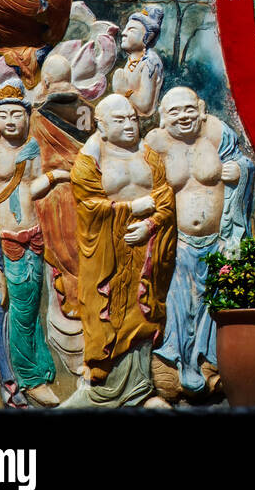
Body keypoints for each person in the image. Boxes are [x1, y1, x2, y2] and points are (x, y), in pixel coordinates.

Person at [61, 94, 176, 408]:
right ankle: (103, 391)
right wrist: (129, 208)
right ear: (101, 124)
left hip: (146, 253)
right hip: (105, 255)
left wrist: (150, 225)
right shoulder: (90, 160)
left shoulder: (149, 156)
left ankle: (139, 390)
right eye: (120, 120)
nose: (129, 125)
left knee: (142, 313)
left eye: (133, 119)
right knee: (105, 314)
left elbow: (165, 200)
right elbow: (87, 205)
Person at [147, 86, 253, 399]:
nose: (183, 116)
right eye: (174, 111)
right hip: (177, 242)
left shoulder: (219, 135)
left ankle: (207, 362)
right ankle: (177, 362)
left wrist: (241, 172)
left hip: (216, 240)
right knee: (179, 301)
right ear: (163, 118)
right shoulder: (156, 144)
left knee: (211, 301)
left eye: (189, 109)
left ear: (202, 109)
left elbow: (244, 165)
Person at [0, 80, 71, 407]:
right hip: (7, 237)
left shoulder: (32, 146)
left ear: (26, 117)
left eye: (17, 114)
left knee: (32, 307)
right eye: (4, 114)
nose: (10, 120)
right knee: (18, 310)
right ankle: (28, 378)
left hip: (33, 234)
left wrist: (58, 176)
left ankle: (38, 370)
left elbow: (33, 187)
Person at [110, 7, 164, 119]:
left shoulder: (150, 62)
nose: (124, 33)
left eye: (132, 30)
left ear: (148, 37)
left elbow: (145, 106)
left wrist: (125, 90)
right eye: (125, 29)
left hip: (142, 121)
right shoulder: (132, 59)